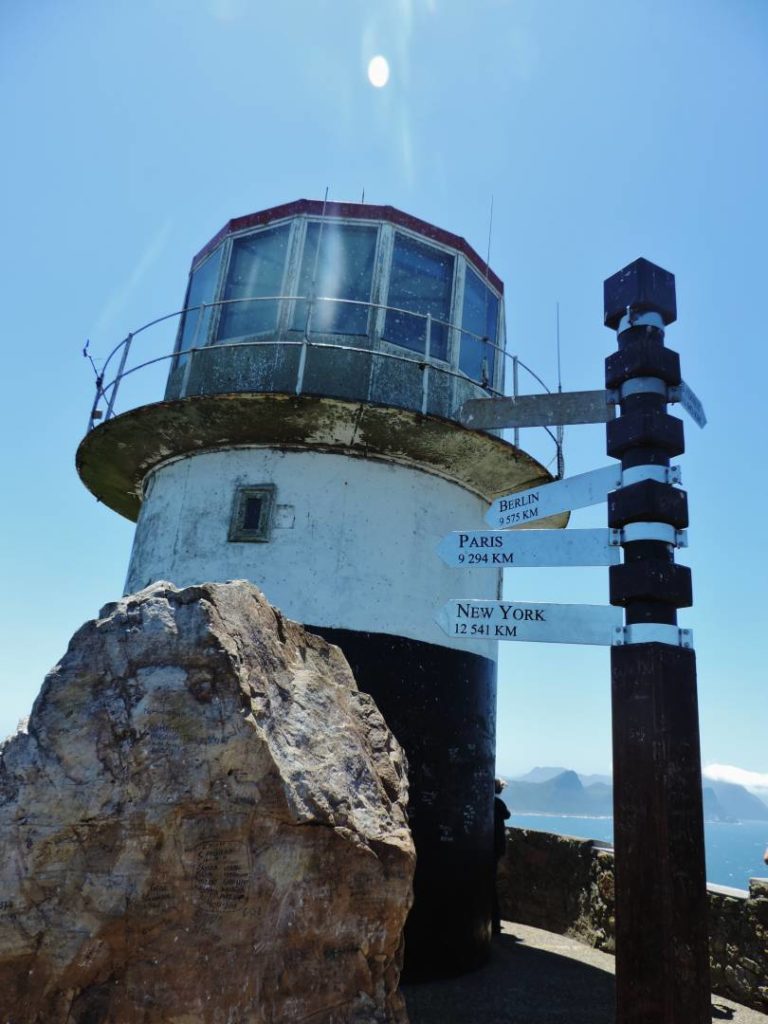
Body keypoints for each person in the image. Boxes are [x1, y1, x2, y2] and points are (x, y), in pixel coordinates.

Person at [492, 777, 511, 935]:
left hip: (489, 847)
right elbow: (507, 815)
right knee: (491, 886)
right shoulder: (498, 804)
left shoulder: (489, 803)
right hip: (497, 847)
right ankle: (495, 923)